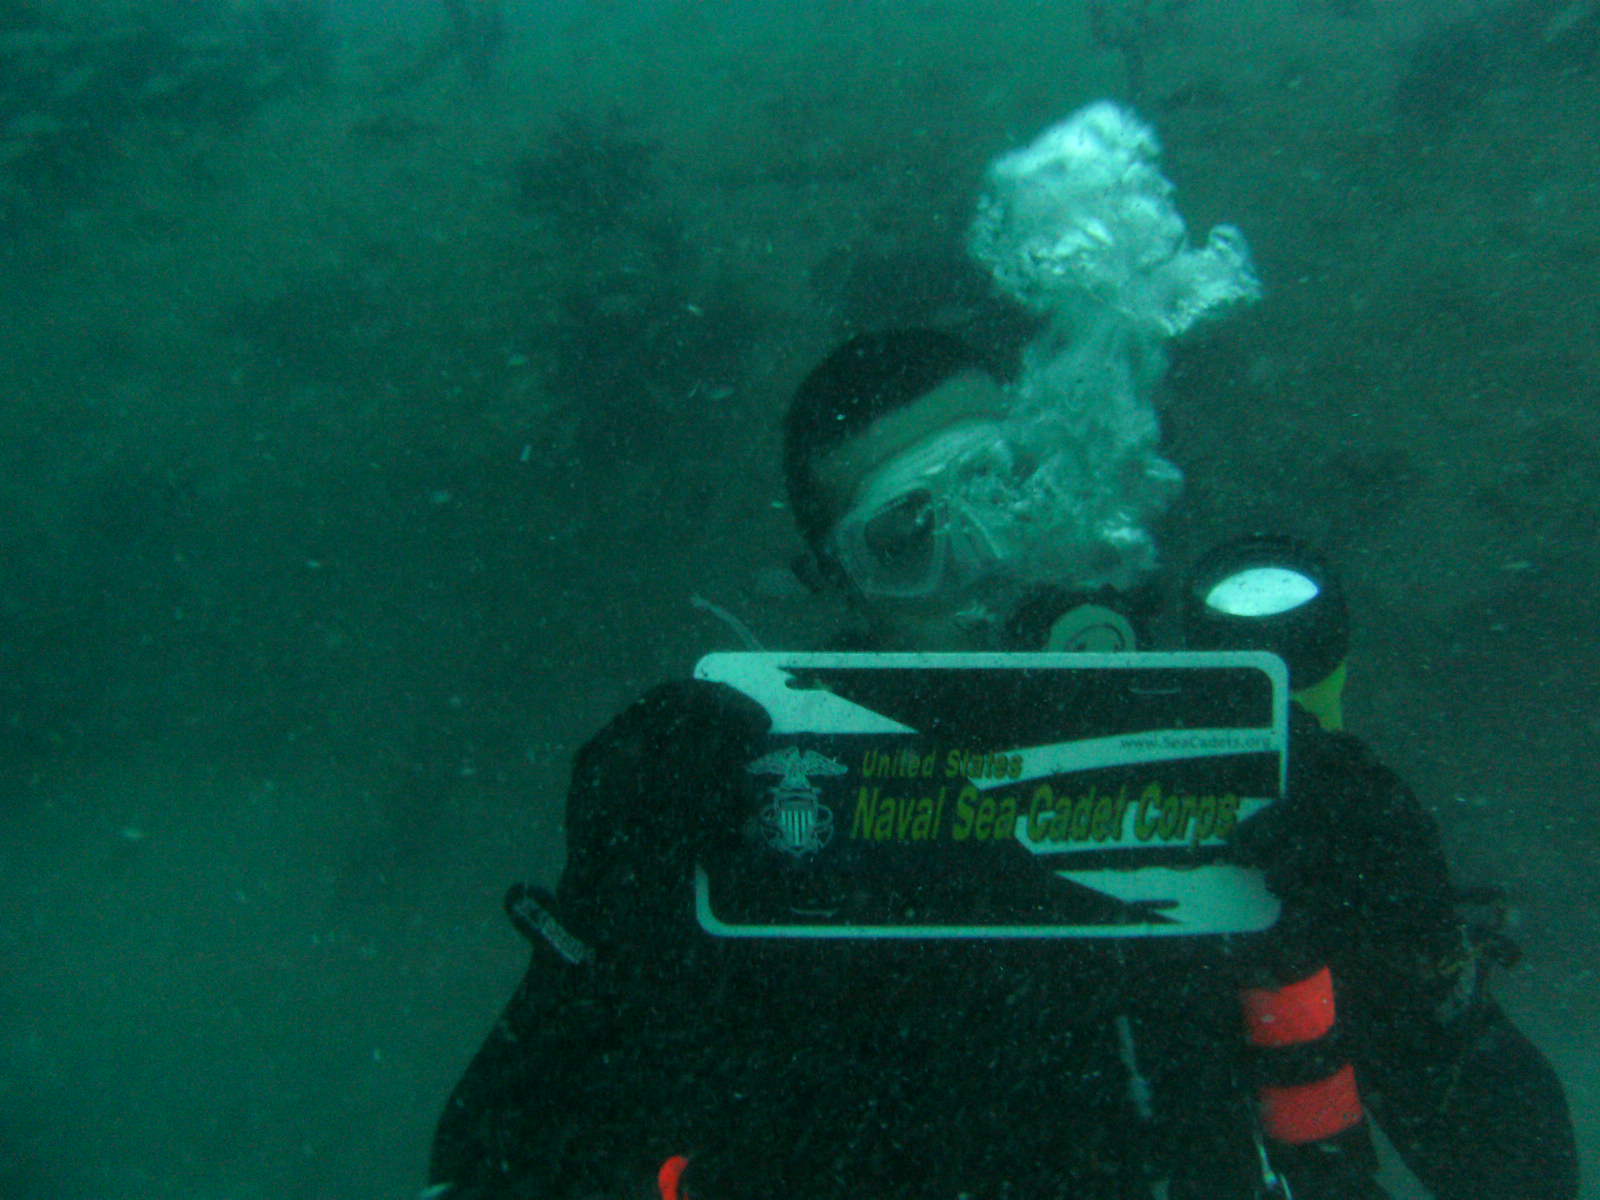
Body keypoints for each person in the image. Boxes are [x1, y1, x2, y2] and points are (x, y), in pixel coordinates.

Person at [429, 103, 1576, 1198]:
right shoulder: (756, 836)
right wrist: (608, 924)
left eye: (1003, 490)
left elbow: (1518, 1179)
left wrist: (1420, 953)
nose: (981, 567)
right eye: (911, 538)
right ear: (845, 589)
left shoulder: (1235, 789)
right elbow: (488, 1177)